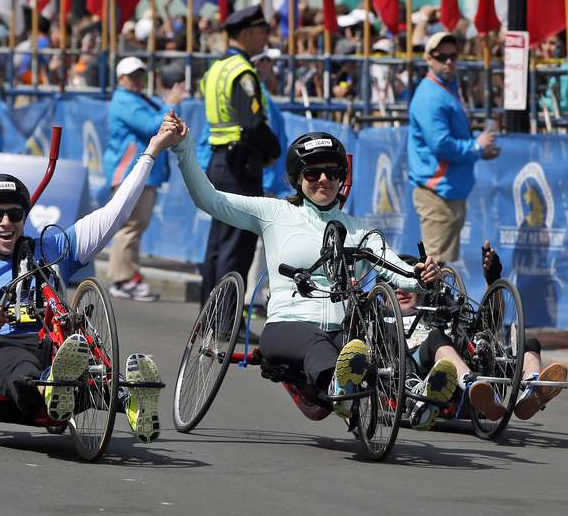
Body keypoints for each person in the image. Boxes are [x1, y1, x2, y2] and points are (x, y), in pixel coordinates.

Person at [164, 112, 443, 422]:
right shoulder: (274, 212)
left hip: (341, 331)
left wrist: (419, 277)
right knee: (317, 344)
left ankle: (417, 396)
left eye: (332, 173)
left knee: (379, 339)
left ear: (341, 178)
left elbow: (394, 268)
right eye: (313, 174)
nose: (323, 180)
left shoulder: (359, 230)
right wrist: (184, 148)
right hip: (289, 326)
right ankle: (341, 385)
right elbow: (209, 199)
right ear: (298, 178)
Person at [0, 123, 182, 444]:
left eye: (15, 214)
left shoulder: (51, 250)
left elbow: (115, 214)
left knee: (86, 364)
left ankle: (127, 398)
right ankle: (55, 385)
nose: (6, 223)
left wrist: (151, 151)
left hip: (54, 348)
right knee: (20, 366)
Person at [396, 242, 568, 429]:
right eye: (395, 284)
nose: (401, 290)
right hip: (413, 368)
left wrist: (493, 278)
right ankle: (471, 385)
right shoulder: (380, 318)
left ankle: (532, 386)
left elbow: (488, 321)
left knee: (529, 345)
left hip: (459, 361)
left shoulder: (440, 309)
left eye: (409, 284)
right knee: (436, 337)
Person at [198, 4, 282, 305]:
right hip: (240, 165)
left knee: (218, 244)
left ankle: (208, 315)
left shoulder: (217, 67)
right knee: (237, 247)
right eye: (262, 32)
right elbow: (253, 125)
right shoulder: (243, 71)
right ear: (244, 34)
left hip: (219, 161)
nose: (265, 39)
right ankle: (224, 321)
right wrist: (274, 151)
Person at [407, 31, 500, 265]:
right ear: (429, 58)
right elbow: (441, 145)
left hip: (448, 191)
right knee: (434, 267)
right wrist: (476, 147)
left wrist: (478, 151)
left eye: (453, 56)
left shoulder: (447, 88)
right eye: (442, 56)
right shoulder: (431, 95)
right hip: (437, 191)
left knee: (439, 266)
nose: (449, 61)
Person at [103, 56, 187, 301]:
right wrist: (169, 104)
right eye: (133, 76)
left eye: (140, 75)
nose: (138, 80)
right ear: (121, 79)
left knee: (134, 225)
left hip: (139, 171)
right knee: (130, 226)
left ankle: (127, 277)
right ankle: (123, 279)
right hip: (131, 171)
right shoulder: (124, 100)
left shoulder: (133, 99)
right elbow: (153, 126)